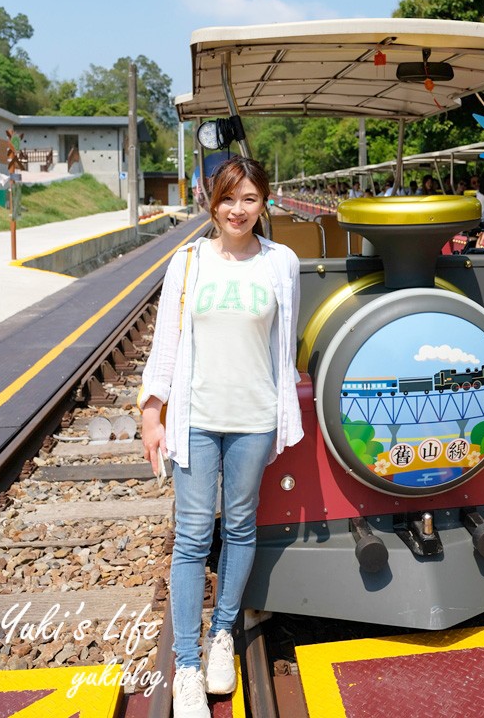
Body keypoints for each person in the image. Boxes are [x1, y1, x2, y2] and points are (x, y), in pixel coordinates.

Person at [139, 158, 302, 718]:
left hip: (254, 417)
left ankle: (223, 636)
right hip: (197, 418)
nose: (239, 210)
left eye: (251, 199)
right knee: (190, 537)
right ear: (213, 201)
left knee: (239, 525)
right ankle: (187, 663)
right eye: (230, 199)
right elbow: (164, 345)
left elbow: (285, 347)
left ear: (265, 204)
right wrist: (152, 409)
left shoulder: (282, 264)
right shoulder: (186, 264)